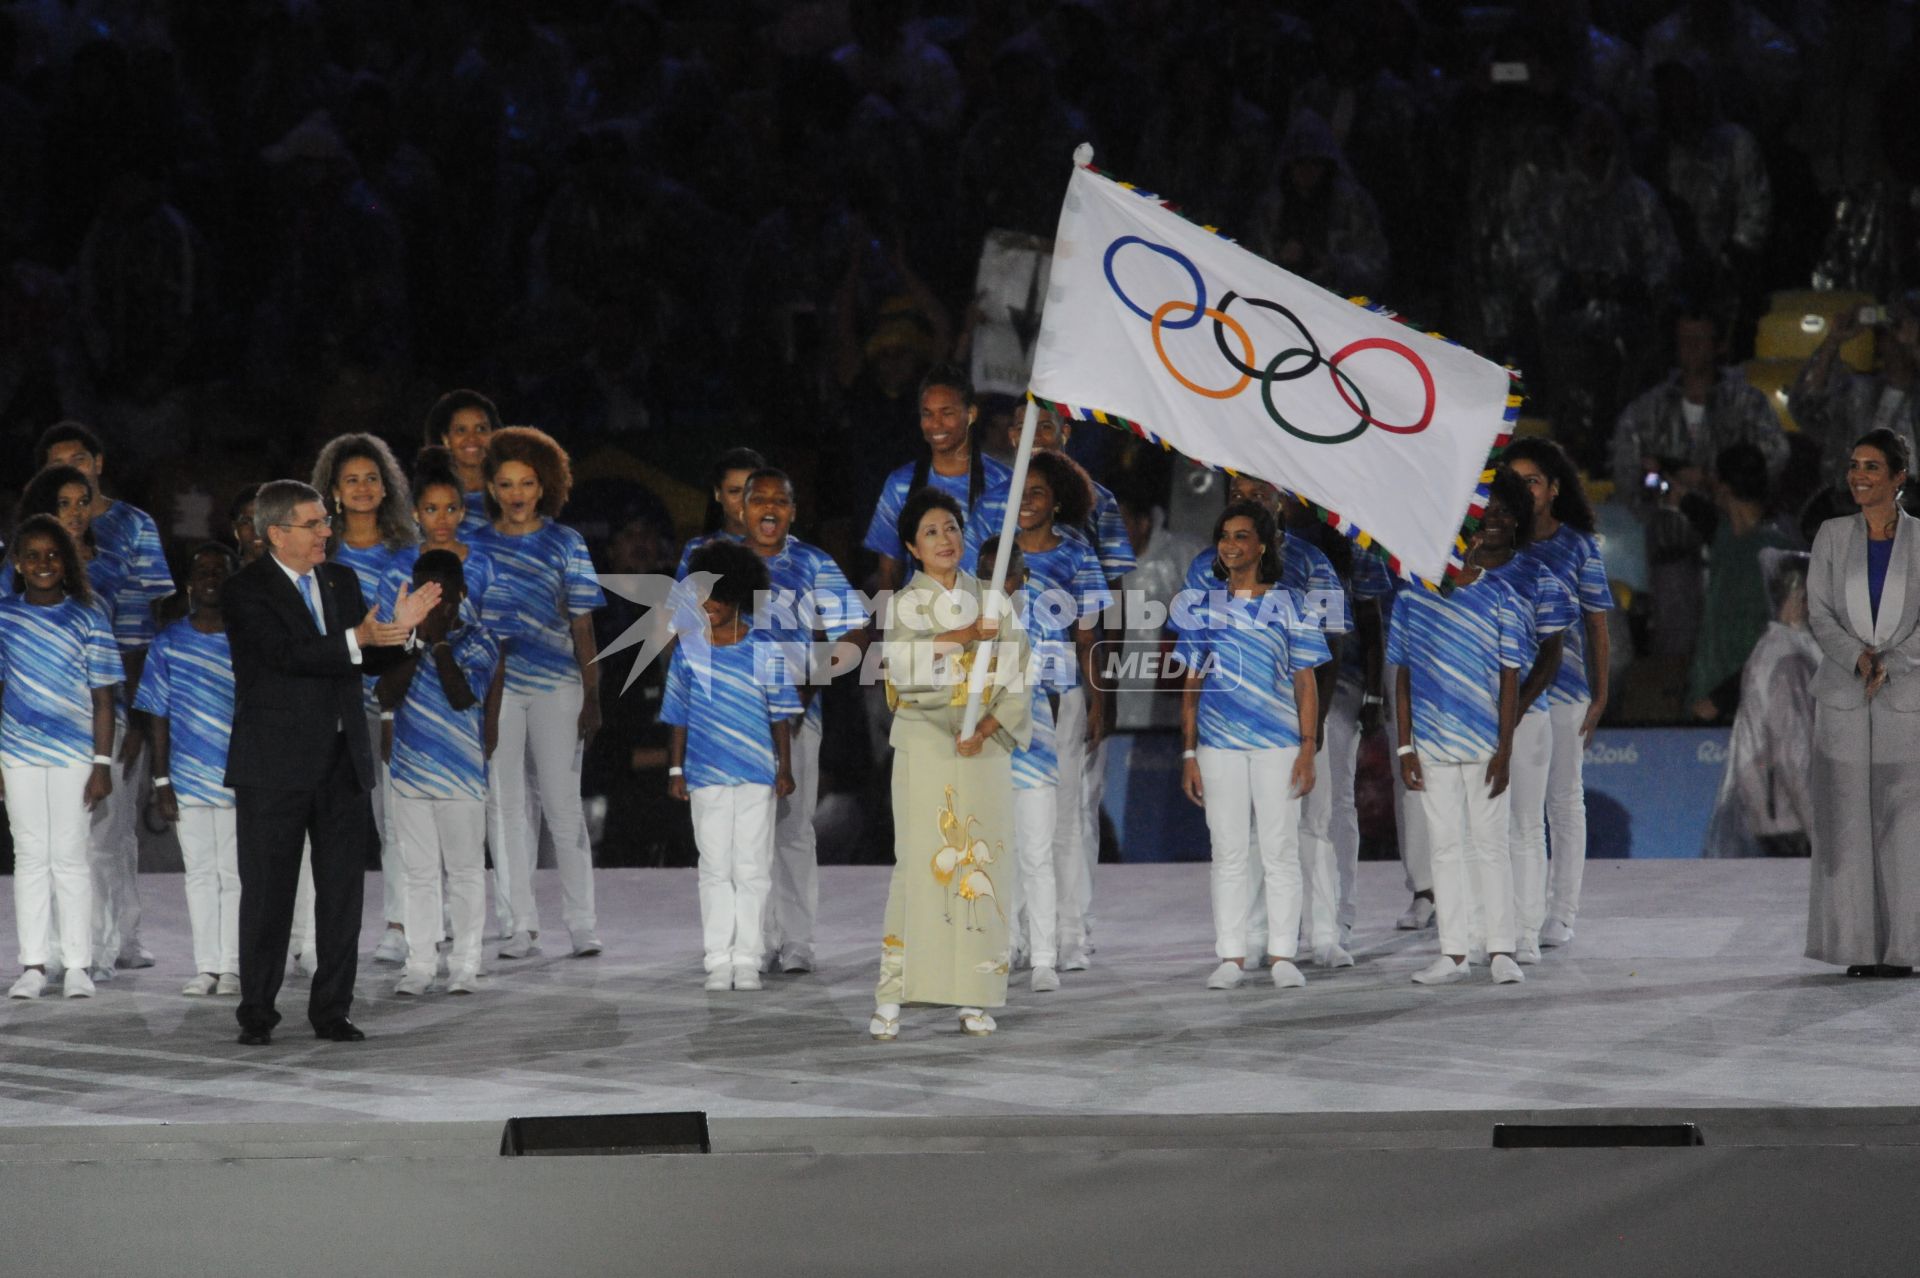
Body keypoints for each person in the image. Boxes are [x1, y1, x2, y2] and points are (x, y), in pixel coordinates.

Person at [223, 479, 438, 1045]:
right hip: (274, 766)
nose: (326, 531)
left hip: (342, 760)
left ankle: (333, 1010)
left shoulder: (340, 578)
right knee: (269, 893)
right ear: (277, 532)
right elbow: (284, 656)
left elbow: (364, 656)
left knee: (343, 893)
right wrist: (357, 637)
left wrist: (403, 634)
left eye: (325, 521)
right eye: (313, 523)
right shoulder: (246, 589)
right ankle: (258, 1013)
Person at [871, 488, 1030, 1041]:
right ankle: (894, 996)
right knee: (920, 864)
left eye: (953, 528)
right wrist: (963, 638)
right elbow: (901, 665)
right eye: (933, 532)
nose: (946, 539)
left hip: (982, 750)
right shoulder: (906, 604)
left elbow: (1017, 671)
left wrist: (985, 726)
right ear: (913, 547)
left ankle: (973, 993)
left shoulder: (993, 600)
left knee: (979, 868)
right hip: (927, 746)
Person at [36, 420, 173, 970]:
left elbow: (145, 629)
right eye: (57, 464)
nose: (72, 471)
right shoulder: (31, 544)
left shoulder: (131, 530)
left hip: (112, 707)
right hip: (44, 716)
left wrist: (140, 715)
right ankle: (66, 945)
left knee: (111, 831)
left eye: (80, 460)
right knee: (60, 837)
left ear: (100, 464)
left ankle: (123, 939)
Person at [1176, 500, 1328, 992]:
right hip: (1219, 747)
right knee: (1229, 851)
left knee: (1281, 849)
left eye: (1242, 536)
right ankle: (1232, 956)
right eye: (1225, 535)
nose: (1231, 544)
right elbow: (1191, 687)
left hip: (1279, 745)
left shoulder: (1291, 604)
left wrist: (1308, 748)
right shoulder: (1202, 607)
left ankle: (1284, 953)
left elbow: (1306, 683)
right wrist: (1189, 752)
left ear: (1261, 545)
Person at [472, 426, 606, 961]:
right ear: (491, 487)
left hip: (558, 688)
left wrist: (592, 694)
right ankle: (519, 925)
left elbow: (583, 626)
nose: (517, 494)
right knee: (505, 807)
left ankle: (582, 923)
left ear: (544, 484)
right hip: (495, 689)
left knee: (562, 805)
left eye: (527, 482)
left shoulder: (566, 542)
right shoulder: (474, 544)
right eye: (505, 483)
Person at [1389, 498, 1534, 988]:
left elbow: (1509, 676)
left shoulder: (1500, 598)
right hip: (1430, 745)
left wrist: (1506, 749)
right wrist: (1405, 747)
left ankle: (1500, 950)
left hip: (1484, 743)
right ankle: (1453, 952)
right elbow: (1402, 676)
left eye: (1460, 538)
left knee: (1490, 845)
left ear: (1475, 541)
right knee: (1445, 849)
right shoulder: (1410, 597)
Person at [738, 467, 864, 974]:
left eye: (780, 500)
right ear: (741, 508)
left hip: (796, 718)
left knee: (792, 827)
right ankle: (751, 938)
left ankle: (796, 942)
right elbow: (686, 630)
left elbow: (855, 635)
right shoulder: (717, 562)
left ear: (793, 510)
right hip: (732, 716)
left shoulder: (814, 563)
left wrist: (810, 681)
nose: (769, 509)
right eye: (758, 499)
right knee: (743, 832)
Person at [1805, 428, 1920, 978]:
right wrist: (1857, 656)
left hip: (1908, 698)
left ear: (1899, 477)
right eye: (1854, 465)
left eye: (1872, 467)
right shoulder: (1830, 535)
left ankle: (1907, 948)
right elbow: (1818, 611)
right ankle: (1857, 945)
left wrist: (1891, 663)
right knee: (1846, 825)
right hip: (1844, 698)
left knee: (1907, 827)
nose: (1859, 476)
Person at [661, 540, 800, 992]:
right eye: (701, 597)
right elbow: (677, 717)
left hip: (757, 772)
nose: (708, 607)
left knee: (753, 867)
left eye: (717, 598)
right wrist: (675, 770)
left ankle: (749, 956)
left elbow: (781, 715)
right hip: (704, 774)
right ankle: (718, 958)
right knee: (715, 867)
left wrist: (784, 767)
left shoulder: (765, 649)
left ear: (739, 594)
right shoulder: (686, 653)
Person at [0, 516, 121, 1000]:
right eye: (32, 556)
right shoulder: (4, 616)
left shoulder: (88, 615)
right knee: (30, 855)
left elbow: (104, 699)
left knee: (70, 856)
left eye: (52, 555)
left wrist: (101, 764)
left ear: (67, 562)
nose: (43, 564)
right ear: (18, 564)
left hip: (74, 755)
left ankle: (77, 965)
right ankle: (33, 964)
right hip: (18, 753)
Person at [311, 432, 419, 964]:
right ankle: (321, 937)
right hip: (333, 702)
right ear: (332, 490)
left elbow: (420, 631)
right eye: (351, 479)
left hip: (398, 701)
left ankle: (401, 924)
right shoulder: (317, 554)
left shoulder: (409, 551)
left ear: (387, 487)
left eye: (372, 479)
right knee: (335, 824)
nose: (362, 488)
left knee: (396, 819)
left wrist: (394, 704)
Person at [376, 551, 501, 997]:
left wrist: (440, 642)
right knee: (419, 873)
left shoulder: (481, 640)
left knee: (466, 872)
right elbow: (386, 695)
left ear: (461, 596)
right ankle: (420, 963)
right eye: (424, 596)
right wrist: (413, 640)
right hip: (410, 777)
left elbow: (462, 695)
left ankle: (465, 963)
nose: (435, 606)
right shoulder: (398, 638)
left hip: (462, 778)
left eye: (442, 597)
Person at [1507, 437, 1615, 948]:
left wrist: (1600, 694)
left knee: (1564, 799)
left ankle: (1561, 913)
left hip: (1567, 691)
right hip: (1512, 692)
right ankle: (1517, 908)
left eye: (1532, 480)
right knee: (1515, 806)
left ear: (1552, 489)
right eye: (1515, 480)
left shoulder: (1578, 545)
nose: (1524, 489)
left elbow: (1597, 624)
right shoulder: (1498, 543)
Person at [1012, 449, 1111, 973]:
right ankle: (1018, 934)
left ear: (1056, 503)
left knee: (1065, 814)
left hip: (1063, 698)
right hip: (1003, 702)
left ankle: (1068, 932)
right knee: (1014, 819)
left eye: (1037, 494)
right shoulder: (993, 551)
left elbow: (1087, 635)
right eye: (1020, 492)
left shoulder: (1077, 553)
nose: (1026, 503)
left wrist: (1096, 701)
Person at [135, 544, 242, 997]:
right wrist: (162, 781)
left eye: (220, 571)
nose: (211, 578)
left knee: (235, 873)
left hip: (240, 777)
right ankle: (207, 966)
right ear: (190, 584)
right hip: (189, 777)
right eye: (202, 572)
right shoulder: (169, 643)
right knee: (200, 872)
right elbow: (157, 715)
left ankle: (235, 965)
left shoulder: (248, 639)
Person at [1478, 470, 1575, 965]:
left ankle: (1525, 931)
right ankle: (1480, 929)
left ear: (1517, 517)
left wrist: (1513, 711)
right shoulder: (1455, 577)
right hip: (1468, 722)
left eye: (1503, 511)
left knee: (1523, 825)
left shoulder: (1537, 575)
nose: (1493, 520)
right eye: (1485, 510)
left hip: (1528, 718)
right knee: (1478, 829)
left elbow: (1552, 653)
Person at [980, 535, 1062, 992]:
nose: (994, 580)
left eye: (1003, 572)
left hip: (1032, 757)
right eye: (985, 569)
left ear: (1022, 576)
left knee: (1036, 856)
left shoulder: (1043, 620)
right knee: (994, 859)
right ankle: (1003, 947)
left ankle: (1044, 956)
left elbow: (1051, 689)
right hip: (987, 760)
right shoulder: (966, 618)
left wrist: (1046, 746)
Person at [1610, 305, 1785, 506]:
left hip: (1732, 524)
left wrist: (1715, 481)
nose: (1690, 348)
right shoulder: (1646, 410)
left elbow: (1774, 459)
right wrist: (1663, 479)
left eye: (1699, 340)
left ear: (1719, 346)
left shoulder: (1749, 405)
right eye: (1684, 340)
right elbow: (1626, 474)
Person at [1704, 549, 1817, 858]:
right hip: (1790, 818)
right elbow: (1796, 755)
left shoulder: (1774, 651)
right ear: (1798, 598)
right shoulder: (1789, 662)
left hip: (1777, 812)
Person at [863, 363, 1013, 592]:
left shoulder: (1004, 483)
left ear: (971, 414)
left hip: (987, 623)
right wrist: (890, 627)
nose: (936, 424)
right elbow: (889, 572)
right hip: (919, 623)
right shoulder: (900, 485)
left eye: (947, 413)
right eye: (928, 414)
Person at [1686, 443, 1799, 722]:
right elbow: (1697, 509)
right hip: (1709, 700)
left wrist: (1722, 698)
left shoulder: (1778, 555)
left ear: (1723, 488)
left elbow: (1784, 641)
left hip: (1753, 707)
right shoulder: (1727, 538)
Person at [1788, 296, 1920, 496]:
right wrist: (1834, 340)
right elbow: (1806, 406)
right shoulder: (1858, 395)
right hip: (1858, 510)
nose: (1896, 341)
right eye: (1887, 334)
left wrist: (1914, 347)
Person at [422, 388, 503, 535]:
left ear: (493, 434)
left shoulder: (512, 493)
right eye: (461, 430)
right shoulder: (427, 497)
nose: (472, 438)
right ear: (446, 439)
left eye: (481, 429)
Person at [677, 447, 767, 576]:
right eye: (735, 491)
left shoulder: (798, 555)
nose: (744, 500)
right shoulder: (697, 549)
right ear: (718, 494)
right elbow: (683, 596)